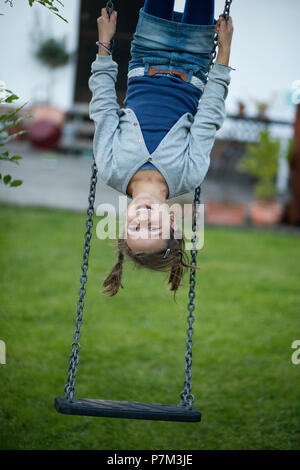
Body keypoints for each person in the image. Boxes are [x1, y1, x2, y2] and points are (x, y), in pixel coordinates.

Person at [88, 0, 234, 296]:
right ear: (170, 220)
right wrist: (224, 53)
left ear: (123, 223)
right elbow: (208, 116)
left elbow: (103, 108)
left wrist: (104, 44)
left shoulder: (112, 169)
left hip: (147, 53)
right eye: (153, 229)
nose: (142, 220)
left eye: (134, 229)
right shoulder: (188, 175)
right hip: (194, 58)